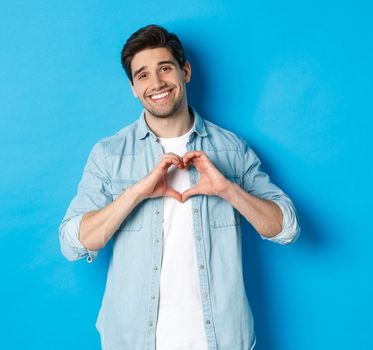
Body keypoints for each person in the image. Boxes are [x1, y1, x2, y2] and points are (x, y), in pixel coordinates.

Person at [59, 24, 300, 350]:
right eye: (142, 75)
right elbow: (73, 243)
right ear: (133, 87)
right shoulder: (109, 154)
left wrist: (228, 189)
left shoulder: (233, 149)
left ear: (185, 72)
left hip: (222, 339)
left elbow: (286, 228)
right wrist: (136, 193)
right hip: (132, 340)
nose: (156, 83)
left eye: (165, 68)